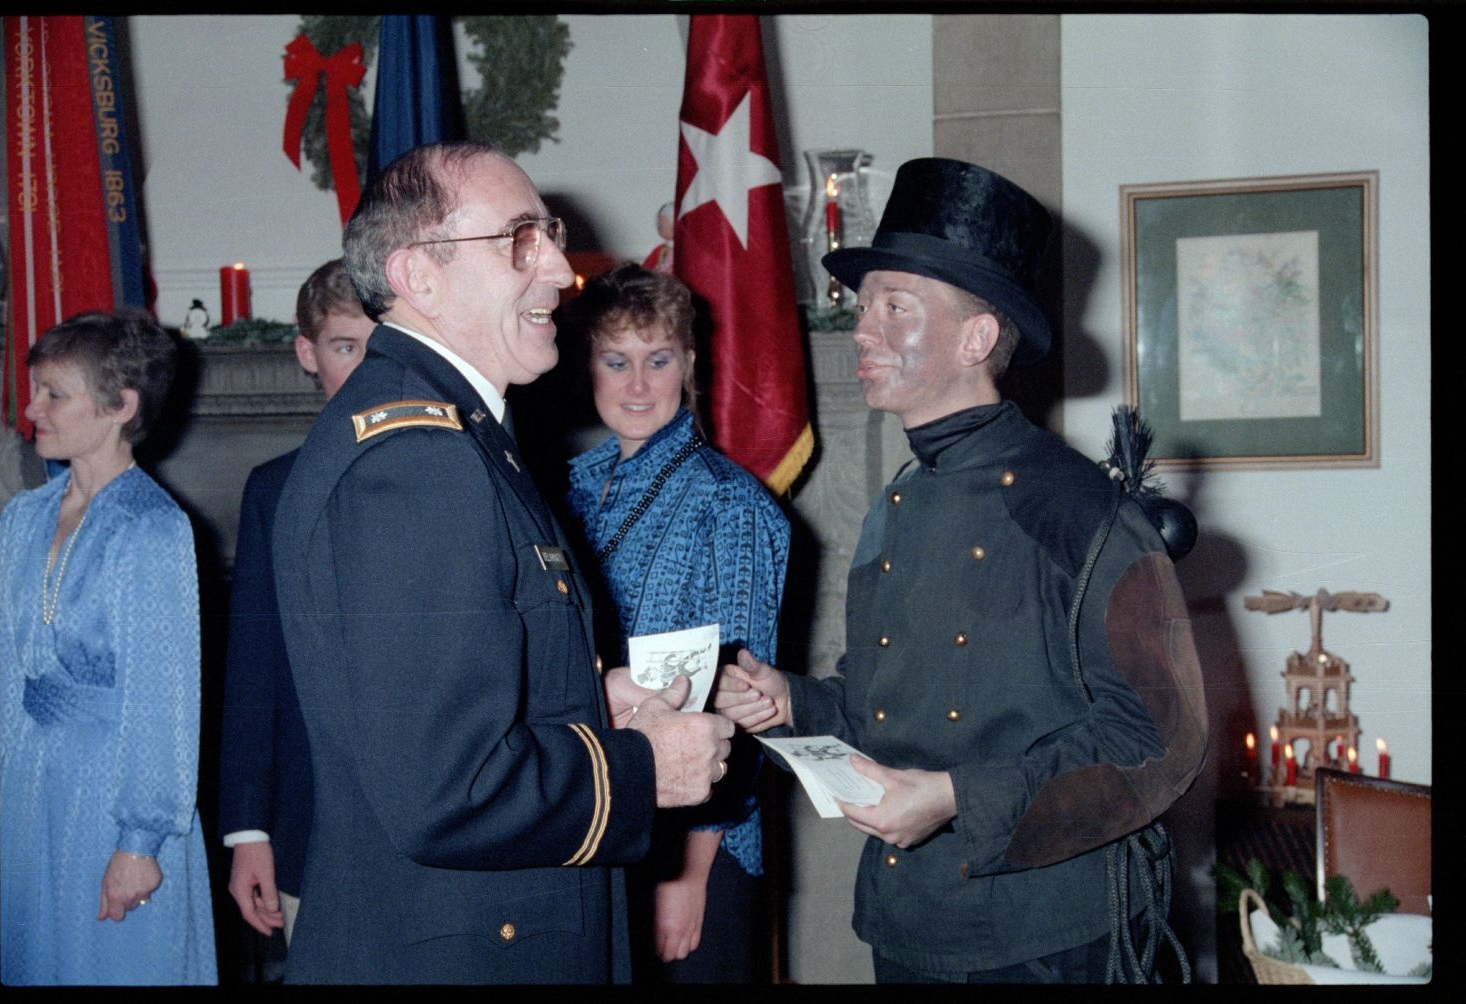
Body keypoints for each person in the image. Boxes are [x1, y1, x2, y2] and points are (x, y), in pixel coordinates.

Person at [716, 158, 1208, 984]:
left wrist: (954, 798)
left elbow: (1162, 737)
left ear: (977, 338)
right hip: (911, 928)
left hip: (1045, 943)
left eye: (895, 307)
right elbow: (881, 713)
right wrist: (788, 701)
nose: (861, 330)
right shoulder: (897, 502)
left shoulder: (1079, 512)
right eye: (864, 304)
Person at [270, 140, 734, 985]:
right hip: (461, 952)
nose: (561, 269)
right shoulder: (418, 460)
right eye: (520, 240)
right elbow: (449, 788)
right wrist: (641, 769)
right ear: (420, 275)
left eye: (549, 234)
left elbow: (421, 699)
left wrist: (585, 698)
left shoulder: (452, 434)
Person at [564, 265, 789, 981]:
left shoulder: (732, 506)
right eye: (616, 360)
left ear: (689, 365)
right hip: (594, 819)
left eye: (658, 360)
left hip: (694, 844)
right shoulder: (563, 488)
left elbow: (745, 710)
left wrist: (689, 875)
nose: (637, 385)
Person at [0, 310, 218, 985]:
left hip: (110, 797)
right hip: (26, 788)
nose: (32, 409)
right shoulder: (23, 515)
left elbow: (163, 699)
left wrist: (139, 843)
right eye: (34, 390)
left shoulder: (152, 528)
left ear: (121, 406)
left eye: (54, 394)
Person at [220, 259, 374, 947]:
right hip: (312, 824)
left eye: (382, 343)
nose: (369, 367)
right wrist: (250, 829)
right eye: (346, 347)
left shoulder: (461, 470)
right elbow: (254, 668)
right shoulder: (274, 492)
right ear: (308, 354)